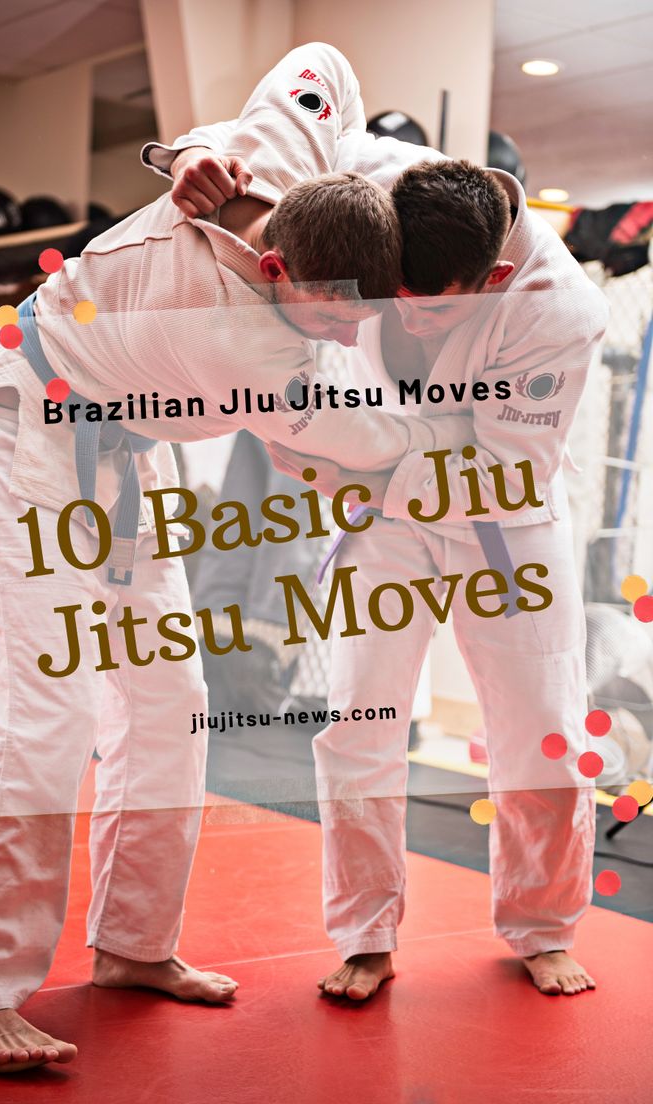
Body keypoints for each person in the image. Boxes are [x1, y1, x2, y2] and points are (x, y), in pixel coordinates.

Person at [0, 43, 478, 1075]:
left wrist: (211, 149)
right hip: (16, 435)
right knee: (43, 721)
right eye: (336, 316)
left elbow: (321, 62)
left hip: (115, 452)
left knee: (165, 699)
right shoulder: (251, 349)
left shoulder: (281, 164)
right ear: (275, 269)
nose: (348, 336)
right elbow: (373, 439)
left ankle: (132, 944)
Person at [146, 42, 609, 1002]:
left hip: (504, 522)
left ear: (485, 286)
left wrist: (345, 464)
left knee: (541, 729)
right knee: (356, 723)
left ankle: (542, 925)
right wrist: (202, 152)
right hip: (382, 513)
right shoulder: (383, 183)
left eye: (422, 312)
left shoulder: (559, 312)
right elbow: (285, 117)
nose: (388, 319)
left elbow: (499, 467)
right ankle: (365, 932)